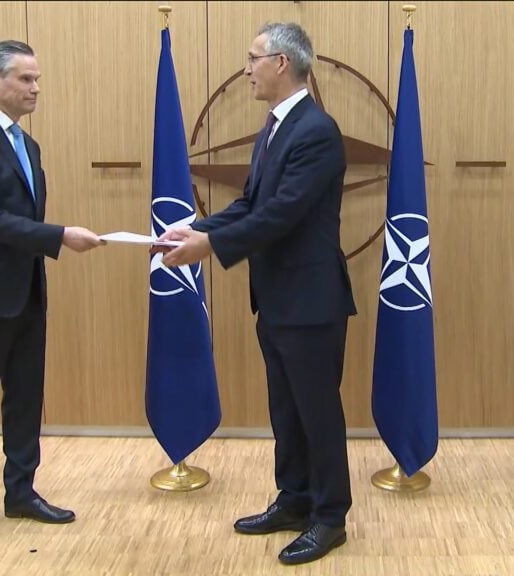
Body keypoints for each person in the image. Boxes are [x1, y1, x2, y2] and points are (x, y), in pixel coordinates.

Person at [157, 22, 356, 565]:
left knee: (317, 412)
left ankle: (329, 516)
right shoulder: (275, 126)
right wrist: (196, 227)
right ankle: (293, 500)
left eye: (253, 59)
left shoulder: (316, 130)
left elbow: (282, 214)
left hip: (311, 301)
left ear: (282, 64)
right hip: (277, 298)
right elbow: (251, 203)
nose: (247, 70)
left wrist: (209, 246)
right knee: (285, 410)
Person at [0, 40, 103, 538]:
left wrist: (50, 240)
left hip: (27, 292)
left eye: (37, 80)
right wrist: (61, 236)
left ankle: (21, 492)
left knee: (26, 398)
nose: (35, 89)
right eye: (25, 79)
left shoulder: (29, 146)